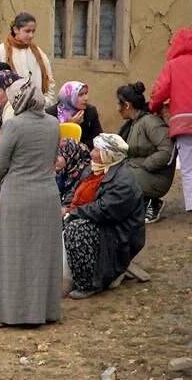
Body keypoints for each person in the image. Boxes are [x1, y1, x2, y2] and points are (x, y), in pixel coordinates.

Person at [0, 78, 62, 328]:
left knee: (12, 254)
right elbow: (53, 158)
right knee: (40, 255)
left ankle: (9, 313)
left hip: (17, 194)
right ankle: (43, 311)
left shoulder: (13, 125)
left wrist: (9, 180)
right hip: (47, 194)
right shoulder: (54, 123)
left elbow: (0, 163)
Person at [63, 133, 146, 299]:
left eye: (96, 150)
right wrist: (66, 207)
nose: (92, 153)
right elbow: (75, 190)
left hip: (117, 236)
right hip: (99, 223)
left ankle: (88, 283)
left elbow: (103, 210)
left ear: (108, 154)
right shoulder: (94, 169)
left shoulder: (124, 181)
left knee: (77, 230)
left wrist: (72, 213)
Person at [117, 82, 174, 224]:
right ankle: (140, 204)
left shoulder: (150, 122)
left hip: (157, 175)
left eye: (119, 104)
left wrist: (145, 165)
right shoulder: (133, 124)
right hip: (141, 171)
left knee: (119, 177)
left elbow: (167, 150)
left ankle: (152, 203)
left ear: (127, 105)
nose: (117, 109)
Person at [149, 28, 192, 215]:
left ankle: (191, 205)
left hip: (182, 123)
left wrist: (153, 106)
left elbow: (160, 91)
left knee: (188, 166)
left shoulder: (172, 65)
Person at [0, 12, 57, 108]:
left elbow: (50, 81)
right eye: (27, 31)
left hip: (38, 110)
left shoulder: (39, 53)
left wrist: (45, 102)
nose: (31, 35)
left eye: (33, 31)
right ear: (16, 29)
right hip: (10, 109)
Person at [49, 81, 103, 149]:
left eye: (86, 94)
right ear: (68, 96)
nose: (86, 98)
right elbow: (49, 141)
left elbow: (98, 140)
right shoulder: (51, 113)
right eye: (80, 95)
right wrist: (70, 126)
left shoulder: (90, 111)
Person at [55, 125, 91, 206]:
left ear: (70, 156)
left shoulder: (84, 176)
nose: (53, 161)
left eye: (58, 157)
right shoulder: (61, 172)